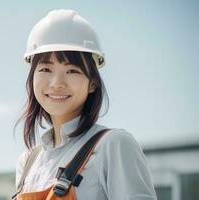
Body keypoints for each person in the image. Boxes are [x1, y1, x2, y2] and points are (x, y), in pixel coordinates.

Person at [13, 9, 157, 200]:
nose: (57, 83)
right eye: (46, 69)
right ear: (32, 78)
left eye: (72, 71)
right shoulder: (28, 162)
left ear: (93, 83)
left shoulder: (113, 146)